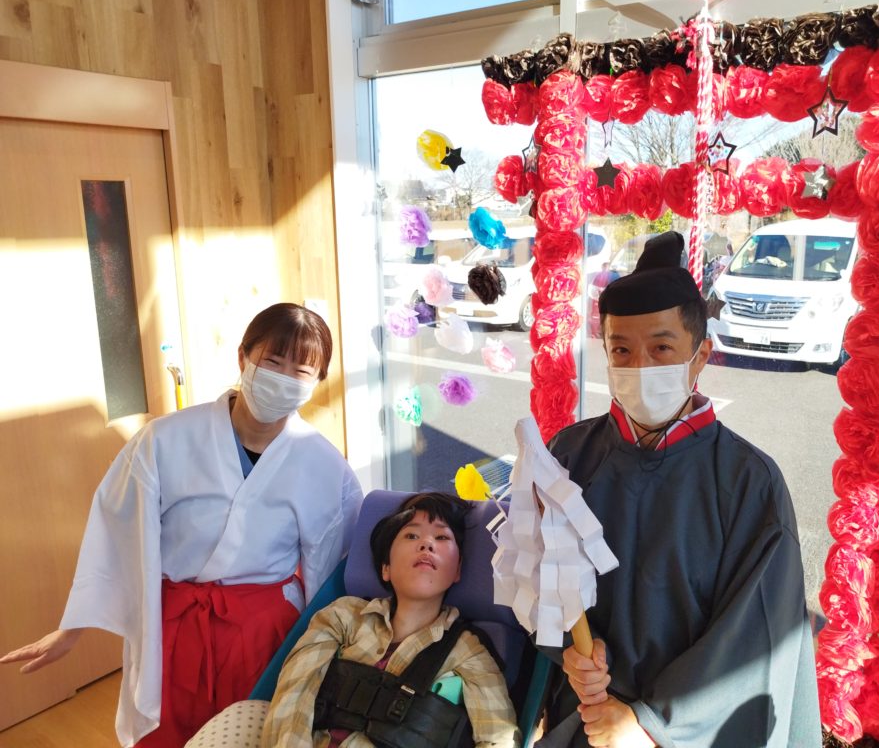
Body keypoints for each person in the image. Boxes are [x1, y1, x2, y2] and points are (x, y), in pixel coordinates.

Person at [1, 302, 364, 747]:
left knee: (250, 735)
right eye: (273, 362)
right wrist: (72, 628)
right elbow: (118, 531)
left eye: (301, 372)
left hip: (265, 634)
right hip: (174, 625)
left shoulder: (324, 465)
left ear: (316, 382)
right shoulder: (165, 439)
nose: (284, 378)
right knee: (167, 733)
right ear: (243, 358)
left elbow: (334, 565)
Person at [541, 232, 819, 748]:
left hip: (684, 734)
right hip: (587, 715)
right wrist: (572, 651)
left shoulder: (748, 480)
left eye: (662, 348)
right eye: (621, 350)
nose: (640, 367)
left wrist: (652, 724)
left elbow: (754, 634)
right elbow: (540, 572)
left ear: (700, 353)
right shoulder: (569, 455)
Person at [186, 492, 518, 748]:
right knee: (247, 713)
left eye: (442, 538)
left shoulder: (469, 651)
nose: (427, 544)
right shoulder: (343, 616)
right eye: (411, 536)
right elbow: (295, 690)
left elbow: (498, 737)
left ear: (457, 571)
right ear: (385, 568)